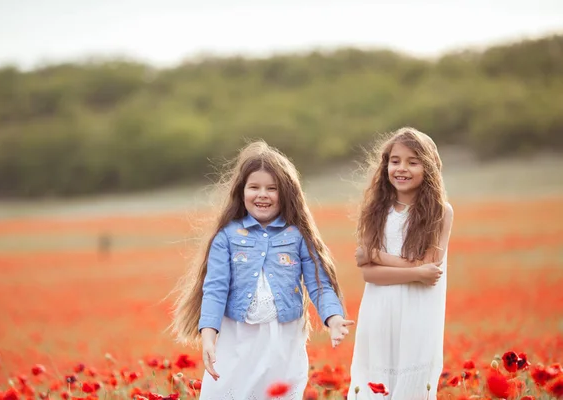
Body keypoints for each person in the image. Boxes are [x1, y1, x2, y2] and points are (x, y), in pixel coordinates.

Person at [172, 141, 354, 399]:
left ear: (287, 193)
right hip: (237, 335)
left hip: (283, 337)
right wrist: (209, 337)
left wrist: (333, 318)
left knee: (276, 392)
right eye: (254, 187)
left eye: (272, 188)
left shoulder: (297, 236)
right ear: (241, 191)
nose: (262, 195)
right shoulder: (227, 237)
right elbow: (214, 289)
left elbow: (318, 282)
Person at [348, 127, 454, 400]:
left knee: (413, 384)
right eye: (395, 161)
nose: (401, 168)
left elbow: (431, 270)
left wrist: (374, 255)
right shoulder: (376, 210)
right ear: (386, 166)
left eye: (413, 162)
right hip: (380, 310)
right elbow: (370, 276)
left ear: (428, 167)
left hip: (418, 313)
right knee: (375, 382)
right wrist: (414, 270)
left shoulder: (440, 211)